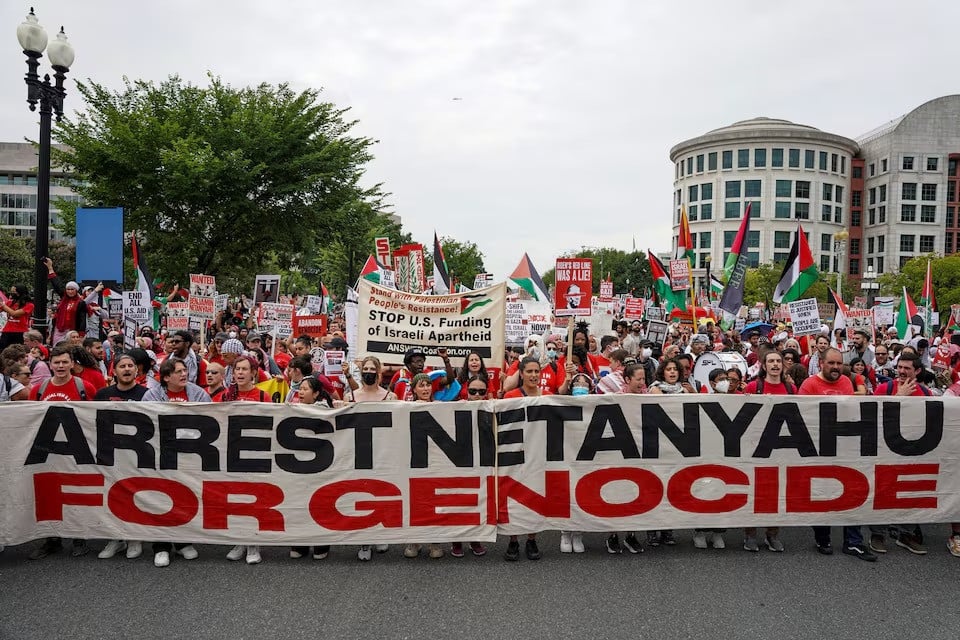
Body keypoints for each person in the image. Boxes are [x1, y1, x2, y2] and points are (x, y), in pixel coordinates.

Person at [798, 347, 875, 561]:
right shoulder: (809, 385)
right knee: (822, 495)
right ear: (821, 363)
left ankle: (854, 542)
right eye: (831, 363)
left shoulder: (846, 383)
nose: (835, 367)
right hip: (818, 449)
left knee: (854, 493)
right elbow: (800, 416)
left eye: (839, 363)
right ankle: (823, 538)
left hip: (845, 447)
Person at [28, 345, 98, 560]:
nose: (60, 366)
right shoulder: (38, 389)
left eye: (64, 362)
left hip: (77, 450)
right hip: (47, 451)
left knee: (77, 492)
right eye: (56, 362)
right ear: (50, 364)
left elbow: (95, 417)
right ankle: (52, 539)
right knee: (49, 493)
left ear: (72, 364)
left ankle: (79, 537)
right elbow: (29, 418)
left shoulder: (84, 387)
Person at [867, 351, 930, 555]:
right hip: (886, 450)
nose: (901, 371)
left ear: (917, 371)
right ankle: (878, 534)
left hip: (915, 452)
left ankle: (906, 534)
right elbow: (871, 415)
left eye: (907, 368)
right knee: (882, 491)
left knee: (912, 491)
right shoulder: (886, 388)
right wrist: (898, 398)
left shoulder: (926, 393)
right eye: (900, 367)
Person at [94, 353, 149, 561]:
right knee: (111, 496)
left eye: (130, 366)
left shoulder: (147, 394)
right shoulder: (102, 394)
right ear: (114, 371)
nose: (126, 369)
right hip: (110, 454)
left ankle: (135, 537)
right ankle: (115, 538)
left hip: (138, 455)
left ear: (137, 370)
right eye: (122, 366)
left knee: (136, 496)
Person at [501, 357, 548, 561]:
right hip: (515, 453)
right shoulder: (510, 396)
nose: (533, 375)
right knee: (514, 499)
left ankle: (532, 539)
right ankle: (513, 540)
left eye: (536, 371)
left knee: (534, 498)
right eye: (529, 371)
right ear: (521, 373)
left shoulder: (548, 396)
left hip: (538, 454)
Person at [289, 376, 336, 561]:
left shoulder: (326, 412)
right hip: (298, 464)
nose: (300, 392)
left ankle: (321, 542)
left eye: (305, 389)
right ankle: (299, 543)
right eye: (300, 388)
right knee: (299, 501)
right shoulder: (291, 409)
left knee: (320, 503)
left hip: (321, 464)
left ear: (316, 394)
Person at [403, 373, 445, 560]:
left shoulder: (441, 407)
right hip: (413, 460)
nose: (426, 389)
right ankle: (415, 540)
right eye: (421, 385)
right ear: (414, 389)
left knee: (433, 501)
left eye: (428, 385)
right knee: (415, 500)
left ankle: (434, 541)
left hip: (435, 460)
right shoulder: (403, 408)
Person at [43, 258, 88, 345]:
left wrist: (81, 334)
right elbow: (56, 284)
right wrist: (50, 268)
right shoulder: (63, 298)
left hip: (72, 330)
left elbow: (82, 319)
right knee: (57, 347)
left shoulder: (80, 302)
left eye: (72, 289)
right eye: (68, 289)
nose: (70, 291)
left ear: (76, 290)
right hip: (59, 329)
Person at [143, 359, 212, 403]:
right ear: (166, 378)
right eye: (179, 372)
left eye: (185, 370)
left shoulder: (199, 394)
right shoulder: (152, 396)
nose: (184, 374)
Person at [0, 284, 34, 349]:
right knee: (3, 351)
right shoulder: (10, 303)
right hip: (7, 330)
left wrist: (4, 306)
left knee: (17, 352)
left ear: (20, 292)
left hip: (20, 332)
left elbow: (14, 314)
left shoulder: (29, 305)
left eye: (14, 291)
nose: (12, 293)